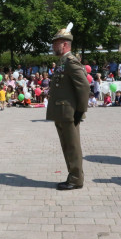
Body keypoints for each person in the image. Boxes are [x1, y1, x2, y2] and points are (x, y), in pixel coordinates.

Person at [46, 25, 89, 191]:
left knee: (72, 147)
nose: (53, 47)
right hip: (62, 112)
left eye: (55, 44)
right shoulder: (63, 61)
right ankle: (73, 176)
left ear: (64, 45)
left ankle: (76, 179)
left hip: (69, 112)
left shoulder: (70, 62)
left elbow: (84, 86)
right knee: (67, 146)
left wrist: (80, 110)